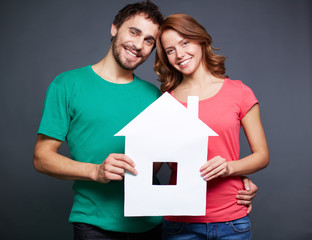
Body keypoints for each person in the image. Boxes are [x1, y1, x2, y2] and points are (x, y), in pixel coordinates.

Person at [33, 1, 258, 239]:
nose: (139, 45)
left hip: (152, 223)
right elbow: (42, 158)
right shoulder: (67, 85)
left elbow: (182, 154)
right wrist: (96, 171)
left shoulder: (157, 97)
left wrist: (235, 177)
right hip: (94, 225)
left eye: (149, 40)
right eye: (134, 32)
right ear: (114, 28)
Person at [154, 14, 270, 240]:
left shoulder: (239, 92)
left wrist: (230, 168)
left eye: (185, 42)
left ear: (200, 40)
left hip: (232, 222)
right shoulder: (166, 102)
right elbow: (153, 165)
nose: (179, 54)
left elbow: (262, 156)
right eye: (170, 50)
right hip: (180, 223)